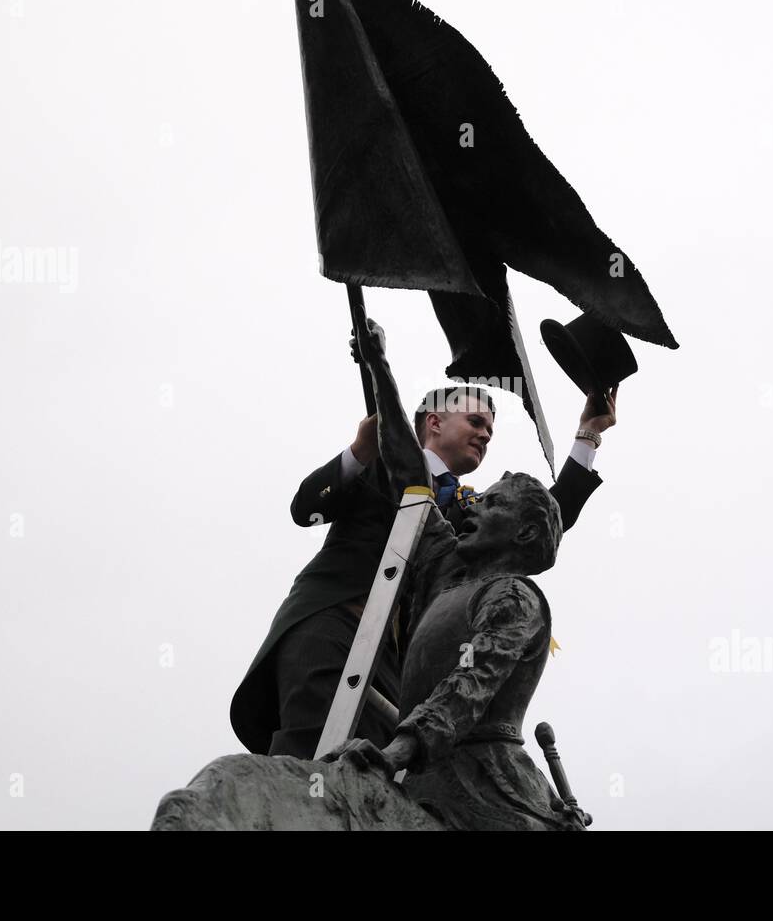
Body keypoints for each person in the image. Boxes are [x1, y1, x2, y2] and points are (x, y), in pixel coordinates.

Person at [229, 325, 617, 759]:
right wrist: (359, 451)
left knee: (371, 785)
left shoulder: (470, 516)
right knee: (310, 761)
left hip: (397, 665)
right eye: (475, 421)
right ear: (434, 421)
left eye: (490, 429)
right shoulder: (378, 464)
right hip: (335, 625)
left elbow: (539, 517)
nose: (486, 434)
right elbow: (305, 508)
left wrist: (589, 435)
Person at [322, 317, 586, 830]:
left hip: (491, 789)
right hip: (424, 775)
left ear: (524, 535)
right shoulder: (446, 563)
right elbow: (405, 466)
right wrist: (379, 366)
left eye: (492, 503)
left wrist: (400, 749)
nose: (474, 506)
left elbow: (472, 682)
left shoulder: (514, 597)